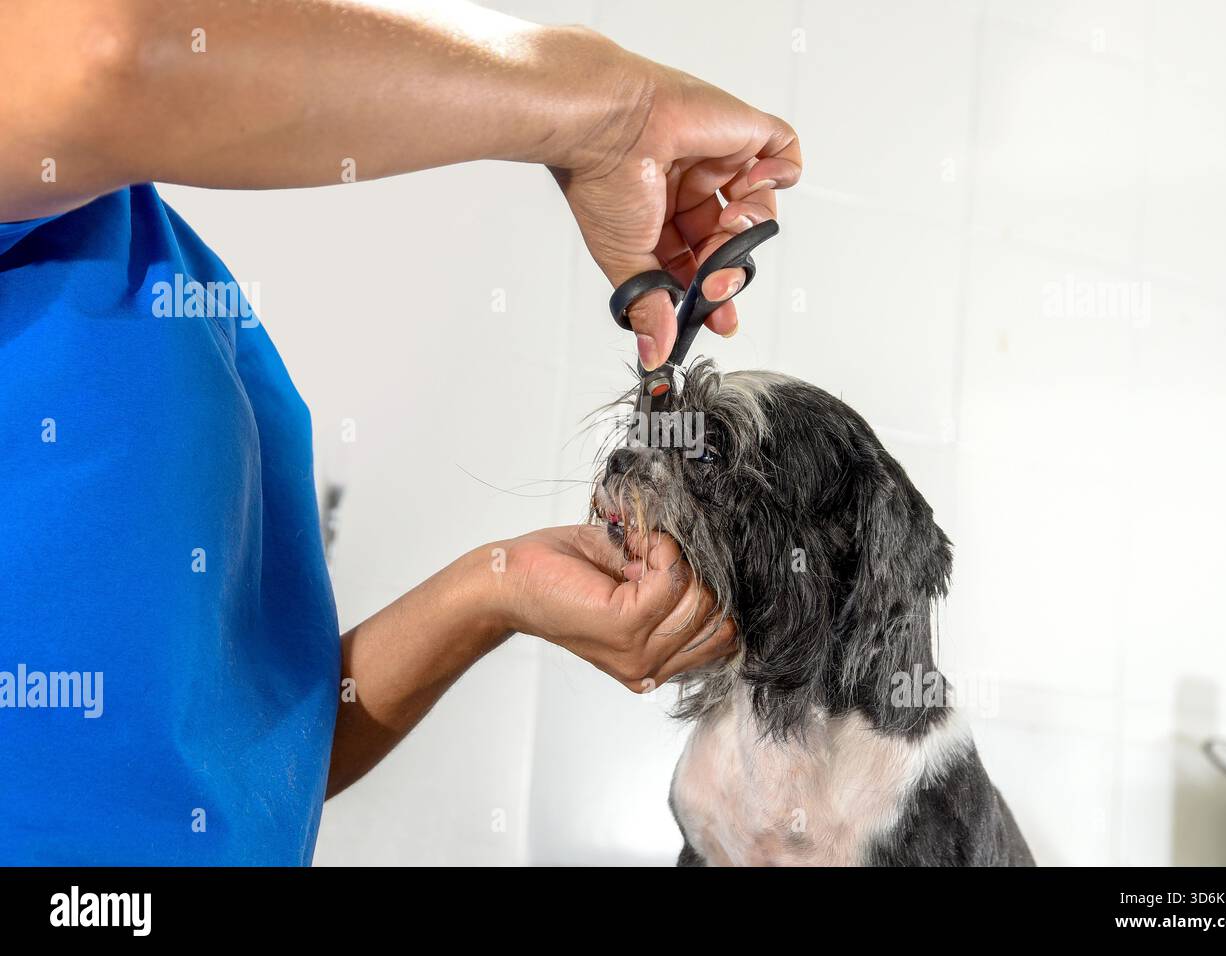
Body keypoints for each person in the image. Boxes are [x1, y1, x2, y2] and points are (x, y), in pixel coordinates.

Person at [0, 0, 801, 864]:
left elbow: (245, 764)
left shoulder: (143, 251)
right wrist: (611, 112)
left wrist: (490, 593)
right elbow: (113, 56)